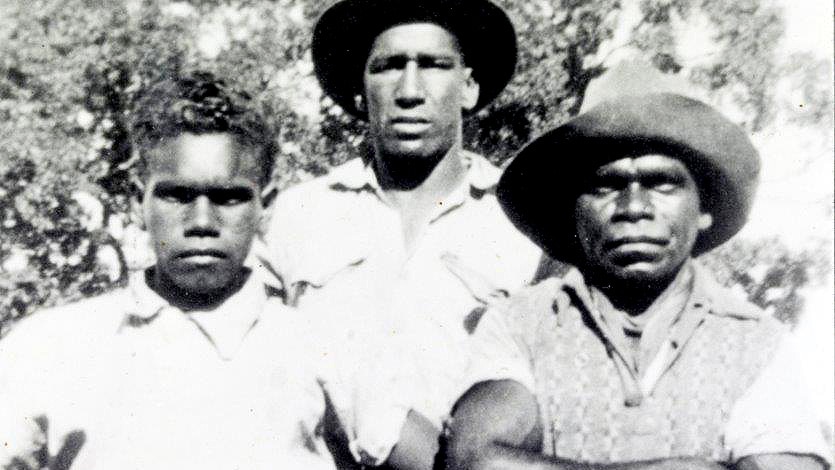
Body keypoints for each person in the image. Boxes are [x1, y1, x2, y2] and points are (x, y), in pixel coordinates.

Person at [445, 92, 832, 469]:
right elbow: (476, 459)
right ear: (572, 213)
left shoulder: (754, 341)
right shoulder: (520, 323)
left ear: (704, 209)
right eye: (605, 185)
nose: (633, 208)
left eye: (662, 182)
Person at [256, 0, 541, 468]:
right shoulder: (299, 215)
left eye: (433, 65)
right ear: (358, 90)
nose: (409, 90)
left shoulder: (519, 222)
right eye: (388, 67)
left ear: (468, 87)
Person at [0, 72, 334, 469]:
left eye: (229, 198)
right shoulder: (50, 346)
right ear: (134, 201)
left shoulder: (316, 349)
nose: (203, 222)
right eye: (177, 196)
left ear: (266, 206)